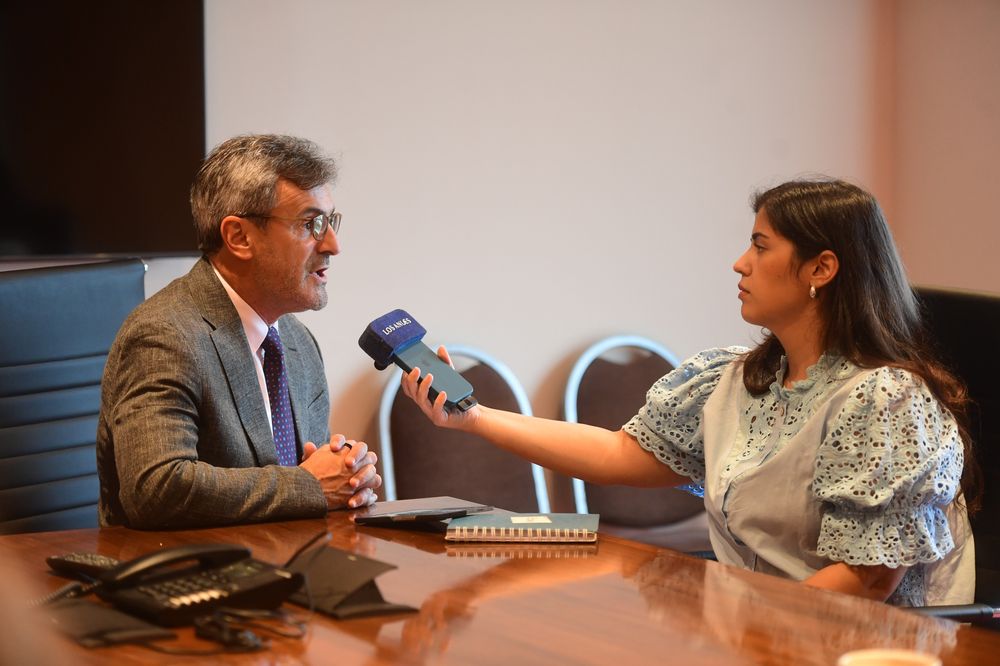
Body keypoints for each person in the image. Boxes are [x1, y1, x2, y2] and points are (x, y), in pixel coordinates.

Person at [401, 178, 979, 606]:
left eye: (761, 245)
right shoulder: (735, 379)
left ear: (820, 269)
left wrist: (733, 623)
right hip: (756, 634)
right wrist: (473, 418)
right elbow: (618, 454)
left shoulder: (887, 401)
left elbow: (867, 580)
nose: (739, 263)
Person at [97, 134, 381, 529]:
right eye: (310, 224)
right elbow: (156, 488)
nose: (333, 244)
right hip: (191, 576)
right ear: (239, 237)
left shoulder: (298, 343)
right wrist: (309, 485)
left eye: (330, 221)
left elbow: (312, 476)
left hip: (290, 566)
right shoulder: (164, 335)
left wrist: (346, 472)